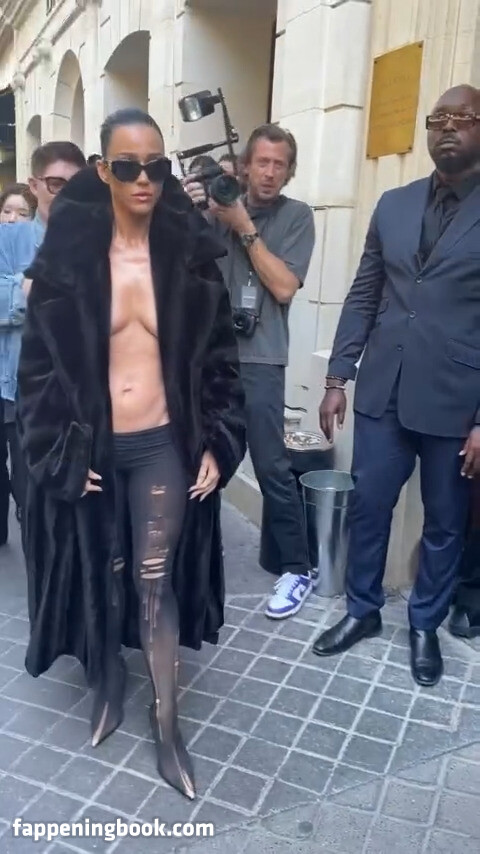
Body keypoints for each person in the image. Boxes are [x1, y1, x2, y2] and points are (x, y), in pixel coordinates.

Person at [16, 108, 245, 800]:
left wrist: (220, 439)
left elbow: (221, 363)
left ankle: (167, 723)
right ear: (103, 170)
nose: (143, 179)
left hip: (160, 445)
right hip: (92, 448)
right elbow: (37, 374)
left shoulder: (192, 258)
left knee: (153, 579)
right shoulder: (68, 265)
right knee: (99, 571)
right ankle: (108, 681)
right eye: (127, 166)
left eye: (156, 166)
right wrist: (56, 450)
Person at [313, 85, 480, 687]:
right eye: (438, 118)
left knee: (445, 521)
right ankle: (362, 610)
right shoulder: (394, 204)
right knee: (368, 505)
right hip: (383, 390)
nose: (448, 128)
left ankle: (424, 624)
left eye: (463, 118)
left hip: (456, 401)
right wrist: (338, 375)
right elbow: (364, 294)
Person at [185, 124, 315, 620]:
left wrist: (243, 225)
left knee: (271, 464)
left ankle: (298, 567)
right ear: (244, 166)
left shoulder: (296, 216)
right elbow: (180, 268)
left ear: (290, 170)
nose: (270, 172)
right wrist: (191, 210)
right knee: (201, 455)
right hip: (209, 355)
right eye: (262, 162)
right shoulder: (215, 210)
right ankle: (198, 553)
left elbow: (283, 287)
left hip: (261, 357)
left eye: (280, 164)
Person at [0, 143, 86, 544]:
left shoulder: (96, 242)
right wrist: (30, 288)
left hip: (75, 395)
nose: (66, 194)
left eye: (75, 184)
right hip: (16, 384)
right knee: (27, 491)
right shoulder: (10, 237)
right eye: (56, 184)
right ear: (34, 185)